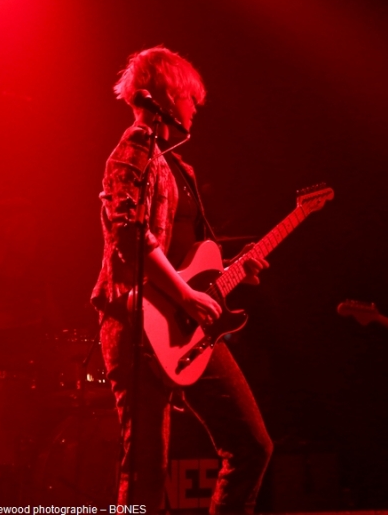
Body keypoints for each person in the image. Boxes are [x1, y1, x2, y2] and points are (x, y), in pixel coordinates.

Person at [91, 46, 273, 513]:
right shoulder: (133, 150)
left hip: (187, 324)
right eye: (192, 98)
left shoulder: (179, 167)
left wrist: (231, 271)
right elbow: (129, 232)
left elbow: (189, 253)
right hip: (138, 325)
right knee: (146, 470)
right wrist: (187, 295)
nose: (196, 109)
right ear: (168, 95)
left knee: (252, 445)